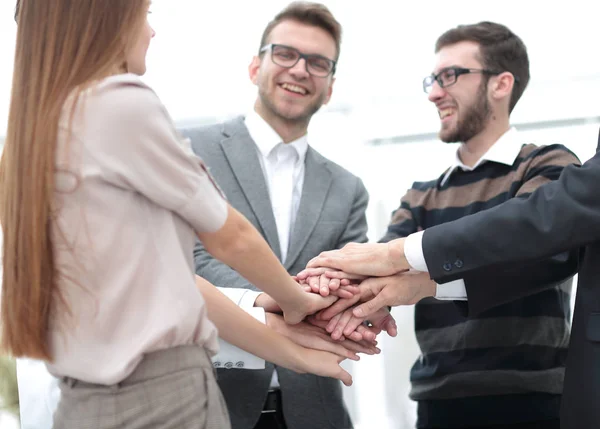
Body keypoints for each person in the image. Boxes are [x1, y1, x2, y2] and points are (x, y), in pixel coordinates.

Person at [0, 2, 354, 428]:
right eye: (144, 13)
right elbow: (229, 237)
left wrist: (295, 354)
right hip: (163, 399)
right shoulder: (120, 104)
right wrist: (296, 301)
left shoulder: (27, 143)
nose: (151, 32)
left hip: (87, 405)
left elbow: (179, 285)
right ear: (103, 19)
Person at [300, 21, 581, 429]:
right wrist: (337, 290)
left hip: (534, 403)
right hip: (438, 405)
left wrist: (421, 278)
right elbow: (379, 268)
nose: (434, 93)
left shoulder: (548, 168)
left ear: (501, 84)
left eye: (450, 76)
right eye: (432, 79)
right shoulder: (421, 196)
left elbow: (536, 261)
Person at [184, 3, 395, 429]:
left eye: (318, 63)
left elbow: (353, 282)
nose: (300, 69)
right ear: (255, 66)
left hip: (314, 411)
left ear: (330, 88)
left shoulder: (347, 188)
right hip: (209, 405)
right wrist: (287, 295)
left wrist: (343, 292)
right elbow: (183, 259)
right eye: (285, 54)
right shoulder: (190, 149)